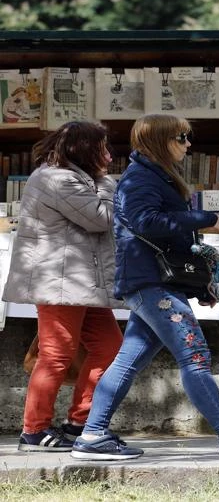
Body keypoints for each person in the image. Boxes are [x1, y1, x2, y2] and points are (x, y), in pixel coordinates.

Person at [71, 114, 219, 461]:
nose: (188, 144)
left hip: (152, 282)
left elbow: (169, 239)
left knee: (127, 363)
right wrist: (206, 218)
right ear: (160, 141)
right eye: (181, 137)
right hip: (150, 284)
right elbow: (146, 222)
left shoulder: (154, 177)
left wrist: (201, 286)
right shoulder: (141, 180)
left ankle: (93, 435)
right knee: (194, 355)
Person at [2, 122, 124, 452]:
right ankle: (34, 429)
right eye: (102, 148)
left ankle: (79, 422)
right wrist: (106, 180)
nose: (108, 155)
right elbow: (101, 218)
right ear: (83, 150)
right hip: (59, 280)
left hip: (80, 280)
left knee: (109, 347)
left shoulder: (72, 176)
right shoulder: (57, 178)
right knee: (56, 355)